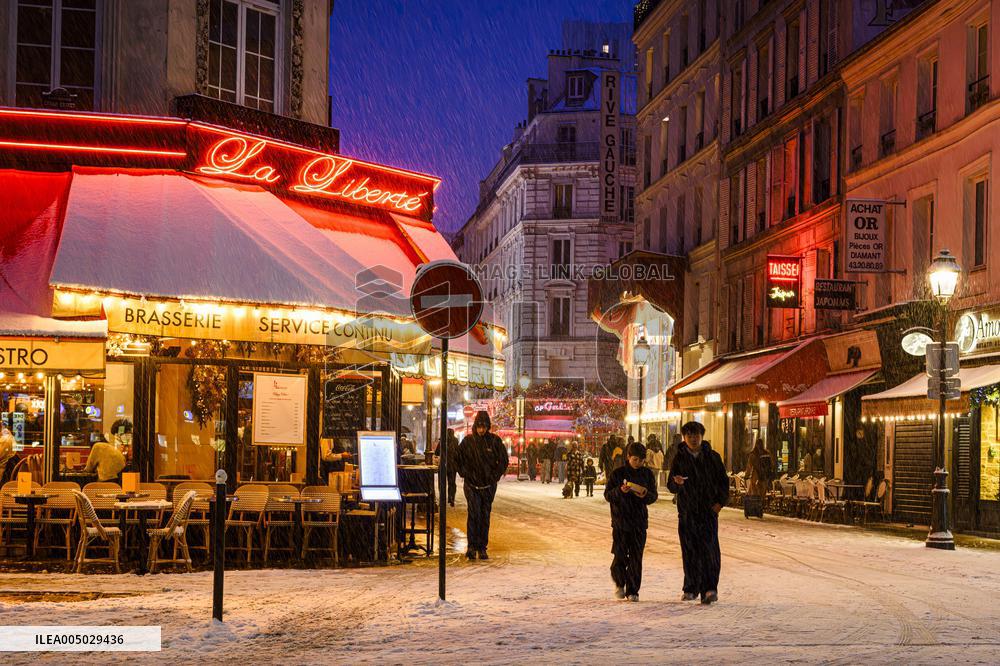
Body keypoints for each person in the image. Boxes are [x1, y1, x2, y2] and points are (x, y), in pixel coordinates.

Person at [668, 421, 729, 605]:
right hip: (687, 514)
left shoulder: (713, 457)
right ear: (684, 438)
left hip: (707, 513)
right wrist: (676, 483)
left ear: (702, 436)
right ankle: (691, 588)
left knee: (709, 551)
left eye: (696, 435)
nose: (693, 439)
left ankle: (709, 589)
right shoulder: (679, 458)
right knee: (690, 551)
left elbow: (723, 483)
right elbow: (671, 486)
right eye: (689, 436)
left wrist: (719, 503)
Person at [604, 442, 658, 602]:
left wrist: (646, 495)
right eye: (635, 459)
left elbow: (653, 496)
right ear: (628, 457)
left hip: (639, 522)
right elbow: (608, 495)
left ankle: (633, 590)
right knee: (620, 555)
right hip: (620, 521)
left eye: (641, 460)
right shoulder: (618, 473)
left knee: (636, 557)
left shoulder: (647, 474)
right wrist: (620, 491)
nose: (638, 463)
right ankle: (620, 583)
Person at [454, 411, 508, 560]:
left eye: (484, 427)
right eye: (479, 426)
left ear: (488, 427)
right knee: (473, 514)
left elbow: (503, 461)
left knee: (484, 516)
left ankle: (482, 546)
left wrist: (494, 476)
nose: (481, 430)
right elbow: (458, 459)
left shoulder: (494, 442)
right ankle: (472, 546)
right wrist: (465, 473)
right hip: (472, 485)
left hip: (487, 486)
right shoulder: (468, 442)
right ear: (475, 426)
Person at [443, 429, 459, 506]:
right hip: (452, 466)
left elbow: (437, 452)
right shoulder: (456, 441)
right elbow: (458, 454)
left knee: (442, 483)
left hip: (444, 465)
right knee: (452, 483)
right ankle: (451, 497)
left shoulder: (443, 441)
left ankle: (443, 498)